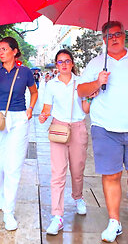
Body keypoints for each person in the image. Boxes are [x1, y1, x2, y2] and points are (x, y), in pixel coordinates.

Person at [77, 21, 128, 243]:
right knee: (111, 175)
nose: (113, 38)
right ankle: (114, 221)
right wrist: (97, 81)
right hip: (105, 128)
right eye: (109, 35)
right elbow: (81, 90)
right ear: (103, 39)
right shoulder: (95, 64)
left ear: (124, 35)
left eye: (117, 34)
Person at [0, 37, 38, 231]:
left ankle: (9, 212)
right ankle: (1, 189)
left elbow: (34, 92)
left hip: (19, 119)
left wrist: (31, 108)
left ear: (14, 51)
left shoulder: (25, 72)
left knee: (13, 166)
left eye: (5, 49)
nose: (1, 52)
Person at [39, 49, 96, 235]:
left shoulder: (81, 83)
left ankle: (78, 197)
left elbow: (86, 110)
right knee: (58, 173)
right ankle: (57, 216)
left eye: (67, 61)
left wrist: (89, 97)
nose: (63, 64)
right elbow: (47, 108)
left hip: (78, 128)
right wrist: (43, 115)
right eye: (60, 62)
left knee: (77, 170)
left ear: (72, 63)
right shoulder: (51, 85)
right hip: (58, 129)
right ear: (56, 65)